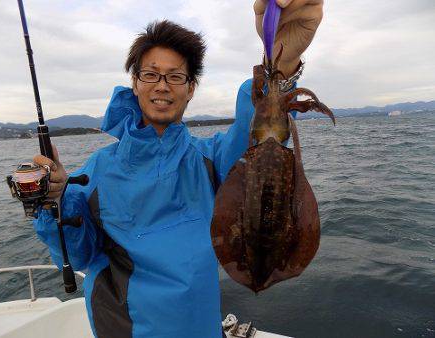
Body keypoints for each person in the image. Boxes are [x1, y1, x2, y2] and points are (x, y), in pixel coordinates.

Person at [33, 1, 324, 337]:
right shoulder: (96, 171)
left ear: (190, 89)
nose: (162, 85)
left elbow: (257, 133)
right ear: (135, 82)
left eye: (175, 76)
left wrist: (280, 60)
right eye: (151, 74)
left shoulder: (211, 160)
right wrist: (56, 199)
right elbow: (77, 254)